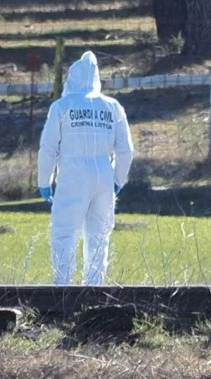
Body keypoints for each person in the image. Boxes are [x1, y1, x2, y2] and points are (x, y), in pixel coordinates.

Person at [37, 51, 133, 286]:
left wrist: (44, 181)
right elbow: (126, 150)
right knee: (99, 236)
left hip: (72, 173)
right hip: (103, 172)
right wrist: (118, 180)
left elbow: (48, 148)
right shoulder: (112, 106)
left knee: (64, 233)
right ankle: (94, 289)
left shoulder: (62, 106)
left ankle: (62, 288)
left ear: (72, 78)